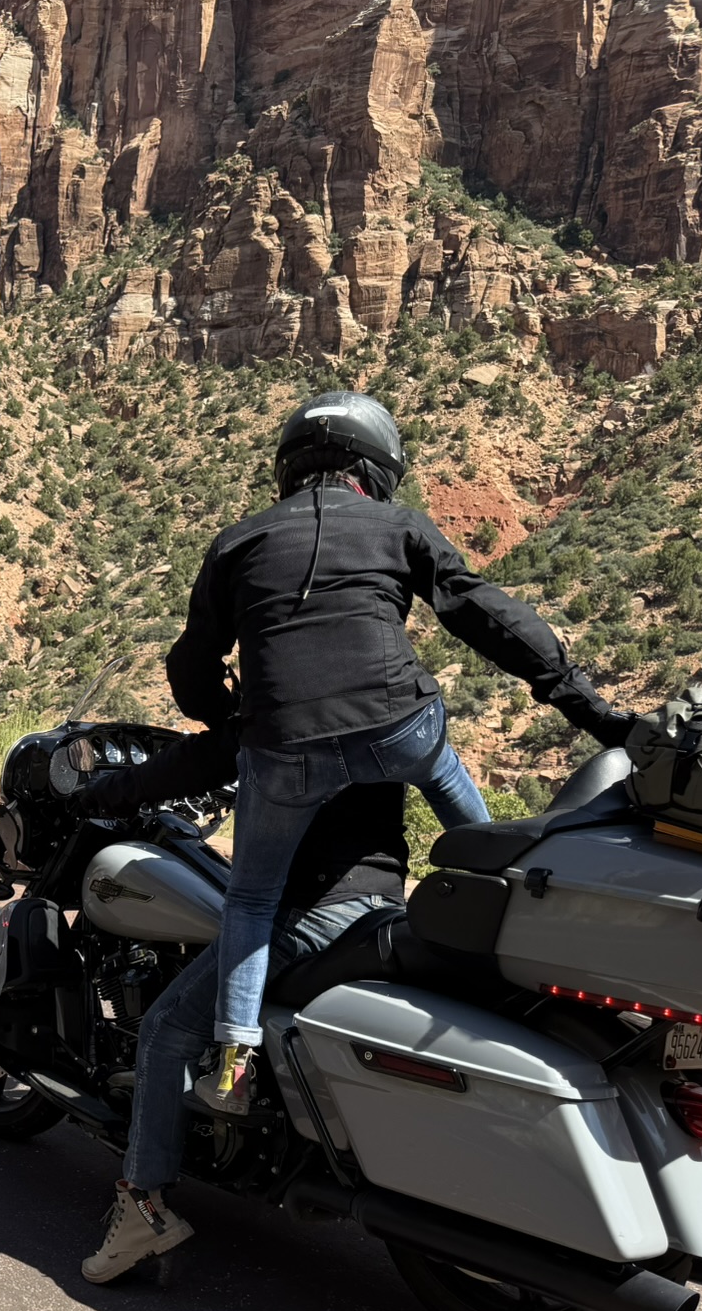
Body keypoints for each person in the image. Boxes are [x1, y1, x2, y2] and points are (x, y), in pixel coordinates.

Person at [167, 391, 631, 1115]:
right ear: (377, 470)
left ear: (289, 468)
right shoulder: (397, 525)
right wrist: (596, 715)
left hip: (286, 752)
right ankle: (513, 900)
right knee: (466, 815)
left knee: (253, 900)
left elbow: (192, 667)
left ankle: (231, 1062)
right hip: (398, 732)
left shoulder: (238, 542)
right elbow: (491, 617)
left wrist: (228, 718)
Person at [76, 730, 414, 1282]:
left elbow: (206, 755)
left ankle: (143, 1207)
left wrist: (108, 792)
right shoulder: (390, 705)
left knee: (165, 1030)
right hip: (381, 905)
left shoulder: (293, 705)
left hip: (311, 910)